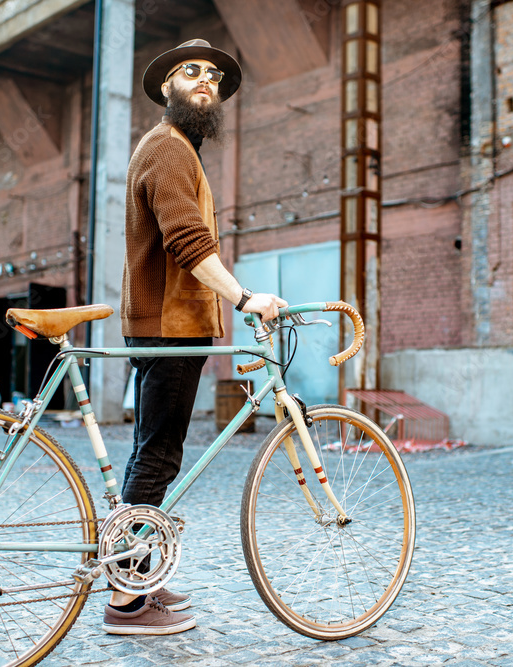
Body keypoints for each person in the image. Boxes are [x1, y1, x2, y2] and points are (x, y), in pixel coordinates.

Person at [103, 39, 287, 635]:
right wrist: (244, 297)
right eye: (191, 72)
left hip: (170, 330)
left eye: (212, 75)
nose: (205, 80)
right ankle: (127, 602)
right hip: (170, 330)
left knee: (149, 454)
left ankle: (136, 577)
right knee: (156, 457)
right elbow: (188, 242)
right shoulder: (168, 148)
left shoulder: (179, 149)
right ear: (166, 89)